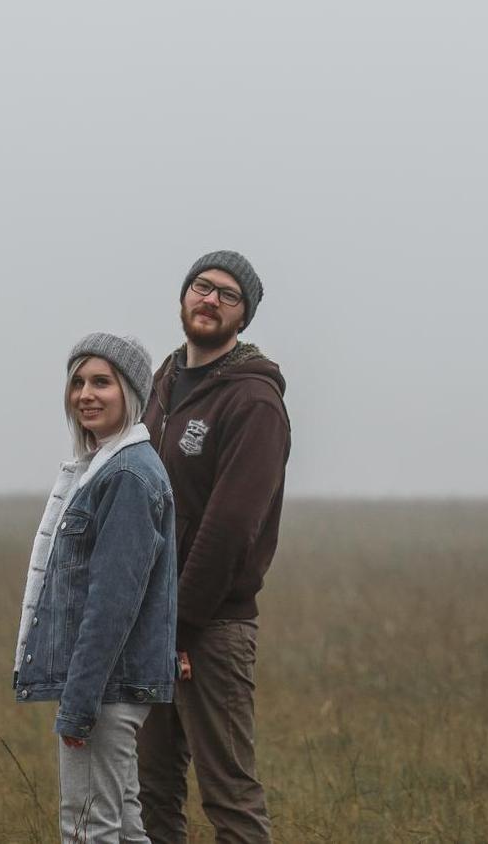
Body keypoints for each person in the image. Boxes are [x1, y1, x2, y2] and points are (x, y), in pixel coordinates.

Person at [137, 251, 291, 844]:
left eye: (228, 295)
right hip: (151, 622)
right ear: (183, 296)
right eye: (202, 286)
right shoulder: (160, 384)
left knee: (229, 797)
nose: (210, 299)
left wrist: (177, 626)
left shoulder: (254, 402)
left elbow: (230, 527)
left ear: (243, 317)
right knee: (150, 793)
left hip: (213, 627)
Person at [14, 333, 177, 844]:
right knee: (125, 828)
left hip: (106, 687)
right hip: (112, 685)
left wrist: (79, 704)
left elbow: (111, 605)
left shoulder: (127, 475)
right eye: (78, 381)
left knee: (87, 830)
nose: (85, 393)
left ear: (131, 392)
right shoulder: (106, 469)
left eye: (101, 382)